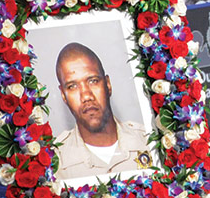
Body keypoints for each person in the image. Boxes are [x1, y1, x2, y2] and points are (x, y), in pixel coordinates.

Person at [53, 43, 153, 181]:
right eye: (72, 86)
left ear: (108, 84)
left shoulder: (149, 141)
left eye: (93, 81)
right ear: (63, 95)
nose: (86, 96)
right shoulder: (54, 163)